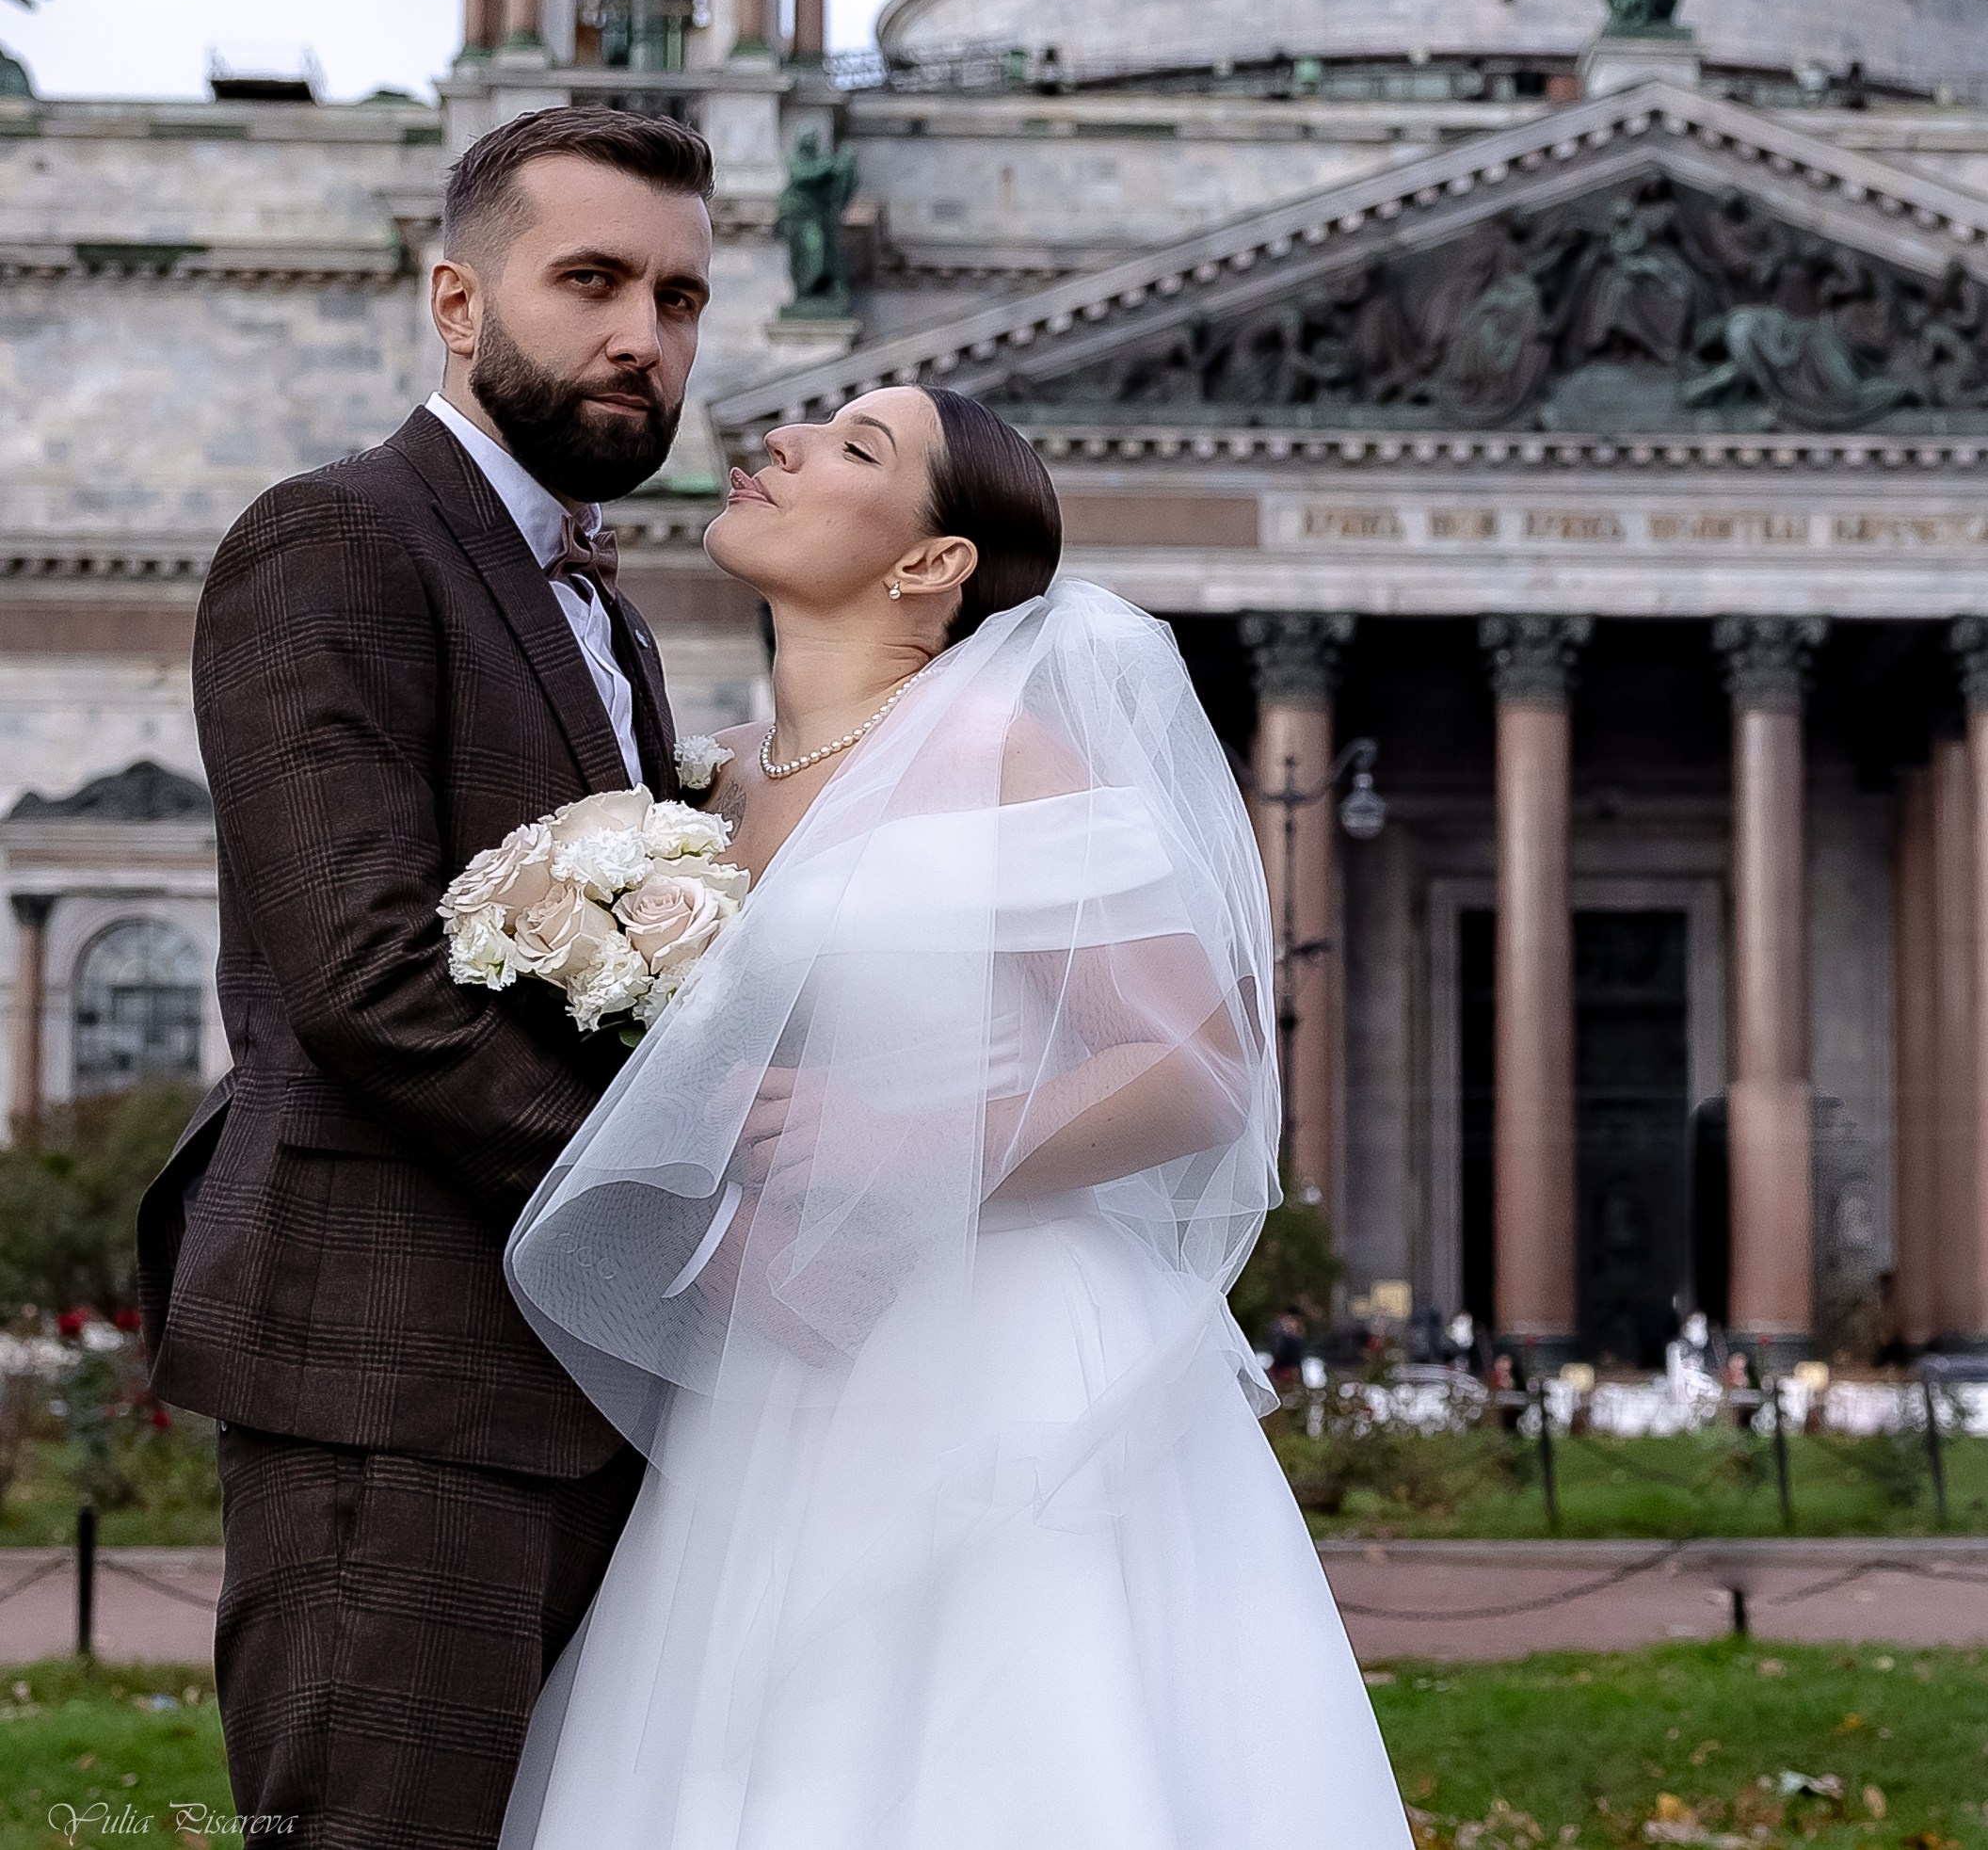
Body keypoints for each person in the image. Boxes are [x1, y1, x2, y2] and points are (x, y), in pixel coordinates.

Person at [498, 387, 1410, 1848]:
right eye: (802, 428)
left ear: (930, 564)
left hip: (996, 1357)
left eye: (856, 447)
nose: (781, 443)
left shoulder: (997, 745)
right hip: (781, 1361)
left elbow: (1200, 1065)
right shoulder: (703, 784)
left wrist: (911, 1138)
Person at [135, 105, 717, 1849]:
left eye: (680, 298)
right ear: (457, 304)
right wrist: (672, 1204)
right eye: (593, 280)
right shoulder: (337, 539)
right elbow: (364, 974)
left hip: (564, 1390)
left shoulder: (600, 612)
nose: (643, 336)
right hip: (396, 1379)